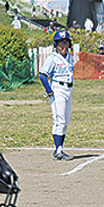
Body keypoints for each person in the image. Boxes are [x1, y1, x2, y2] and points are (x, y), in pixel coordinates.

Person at [39, 29, 75, 160]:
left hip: (68, 89)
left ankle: (60, 148)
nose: (64, 46)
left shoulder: (70, 57)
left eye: (66, 43)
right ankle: (58, 150)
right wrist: (49, 90)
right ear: (56, 44)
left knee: (65, 120)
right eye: (61, 43)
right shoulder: (53, 58)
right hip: (57, 89)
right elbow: (42, 75)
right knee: (59, 120)